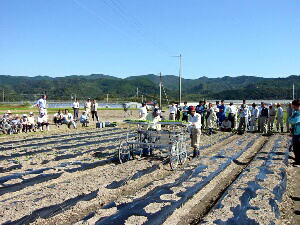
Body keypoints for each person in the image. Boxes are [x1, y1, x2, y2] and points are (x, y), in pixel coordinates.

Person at [288, 99, 300, 167]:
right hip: (296, 132)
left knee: (297, 148)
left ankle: (298, 162)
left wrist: (290, 118)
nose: (293, 107)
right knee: (295, 148)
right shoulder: (296, 112)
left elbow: (292, 120)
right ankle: (297, 160)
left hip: (298, 133)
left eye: (293, 106)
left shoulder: (298, 113)